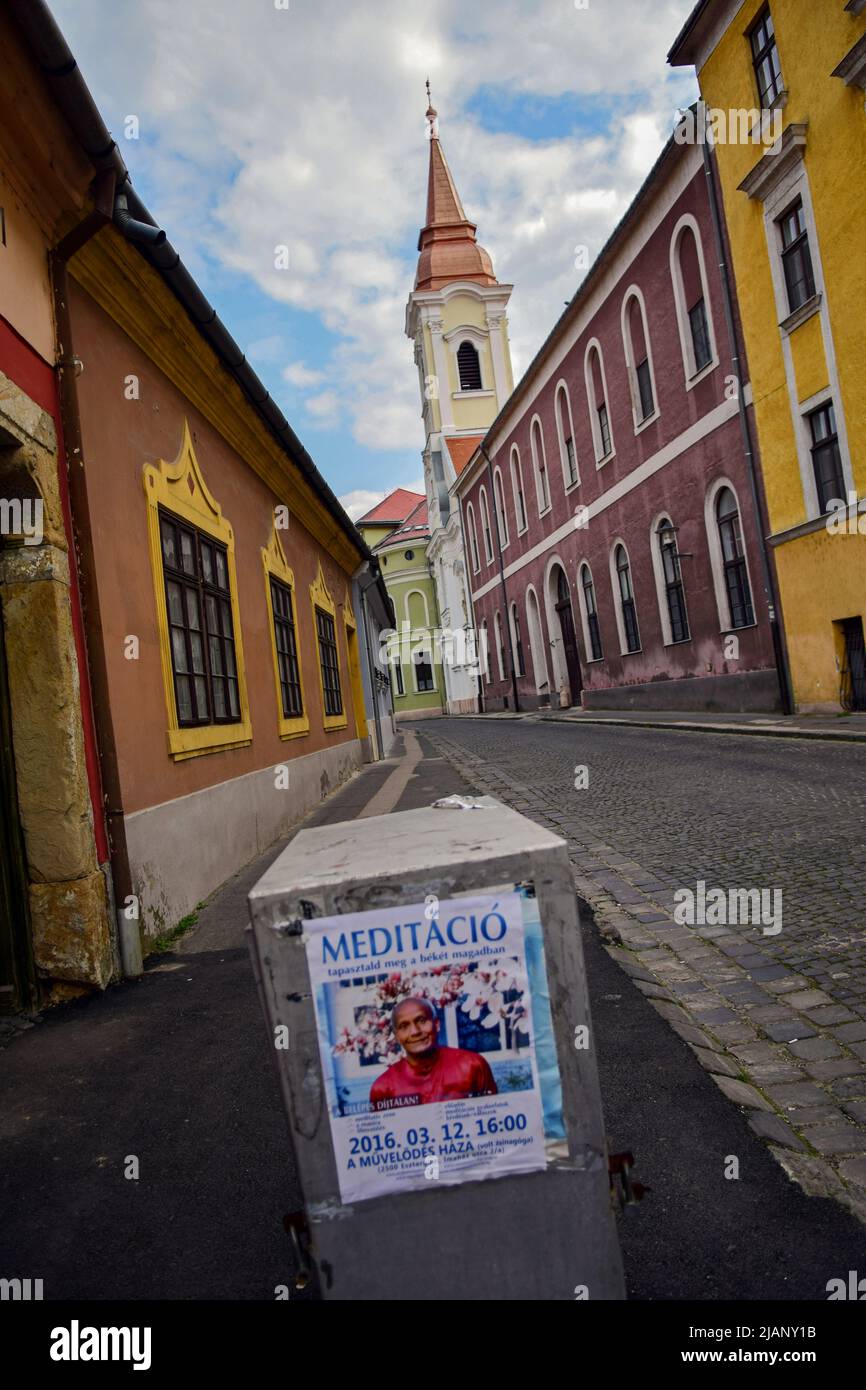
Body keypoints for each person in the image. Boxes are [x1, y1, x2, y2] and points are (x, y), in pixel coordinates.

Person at [370, 996, 497, 1108]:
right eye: (404, 1026)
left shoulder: (472, 1066)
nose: (415, 1031)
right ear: (397, 1036)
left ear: (436, 1024)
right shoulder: (383, 1088)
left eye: (421, 1021)